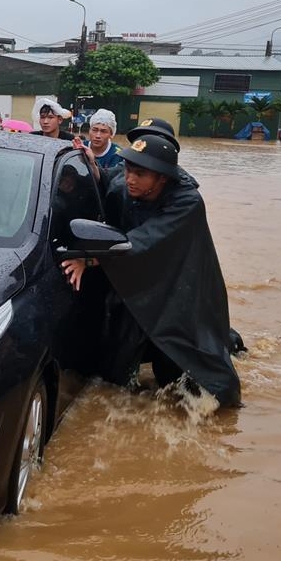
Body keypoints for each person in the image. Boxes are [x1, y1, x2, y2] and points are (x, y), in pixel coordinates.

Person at [61, 123, 242, 408]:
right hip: (139, 283)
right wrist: (93, 168)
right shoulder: (126, 185)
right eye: (128, 169)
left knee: (189, 374)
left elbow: (145, 240)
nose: (129, 178)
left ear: (163, 179)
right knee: (116, 368)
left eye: (140, 173)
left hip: (180, 287)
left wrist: (89, 258)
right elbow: (109, 184)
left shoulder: (187, 202)